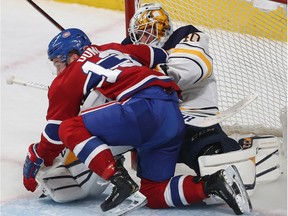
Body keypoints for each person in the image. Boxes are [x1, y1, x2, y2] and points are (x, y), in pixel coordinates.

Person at [22, 28, 251, 215]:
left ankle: (118, 179)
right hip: (171, 115)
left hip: (142, 108)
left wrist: (37, 155)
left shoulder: (68, 77)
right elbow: (158, 55)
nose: (57, 69)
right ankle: (214, 183)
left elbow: (55, 133)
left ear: (72, 55)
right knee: (154, 192)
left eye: (57, 62)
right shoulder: (115, 49)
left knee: (69, 127)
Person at [122, 2, 243, 176]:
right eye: (138, 35)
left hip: (193, 120)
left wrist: (155, 76)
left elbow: (193, 67)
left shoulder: (184, 37)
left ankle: (225, 161)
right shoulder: (130, 49)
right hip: (154, 128)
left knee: (212, 152)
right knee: (152, 179)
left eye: (146, 34)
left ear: (161, 30)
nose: (141, 40)